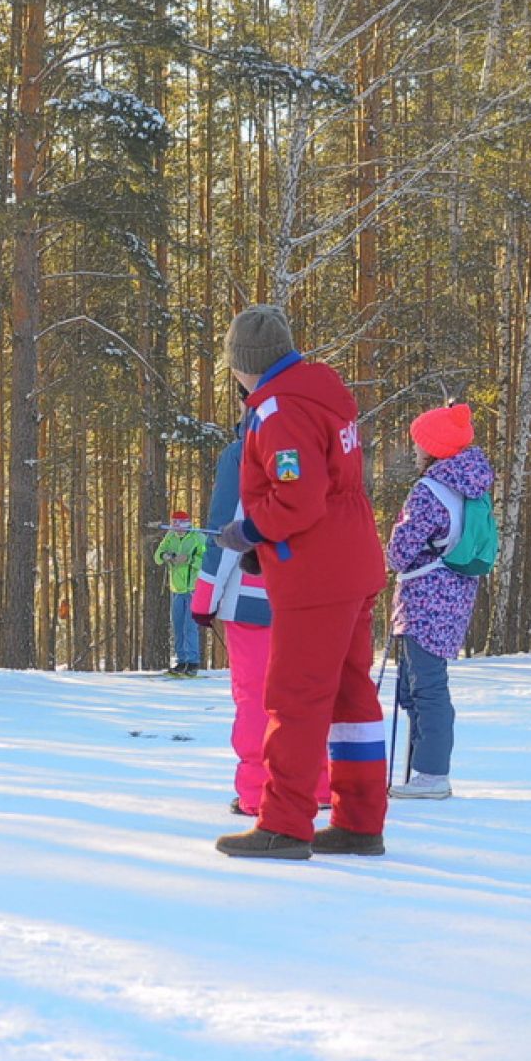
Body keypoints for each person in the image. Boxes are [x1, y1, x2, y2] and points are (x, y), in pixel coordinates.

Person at [210, 305, 389, 860]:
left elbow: (300, 497)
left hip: (318, 575)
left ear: (242, 364)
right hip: (352, 560)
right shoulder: (323, 392)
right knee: (350, 698)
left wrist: (251, 531)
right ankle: (360, 821)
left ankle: (285, 824)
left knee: (295, 698)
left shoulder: (277, 409)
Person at [192, 413, 331, 817]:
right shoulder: (319, 446)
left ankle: (256, 789)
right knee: (305, 693)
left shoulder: (242, 453)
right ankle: (318, 781)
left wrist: (204, 598)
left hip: (254, 598)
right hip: (312, 598)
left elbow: (225, 532)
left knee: (256, 697)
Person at [386, 403, 496, 800]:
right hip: (455, 592)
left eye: (418, 444)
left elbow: (401, 548)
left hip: (424, 596)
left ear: (433, 448)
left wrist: (388, 555)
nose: (414, 450)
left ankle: (431, 773)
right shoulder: (472, 484)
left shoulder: (430, 490)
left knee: (426, 686)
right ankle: (424, 770)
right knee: (423, 682)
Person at [154, 510, 206, 675]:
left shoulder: (197, 537)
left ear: (188, 524)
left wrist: (190, 560)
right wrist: (167, 555)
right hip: (176, 589)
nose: (179, 530)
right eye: (176, 526)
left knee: (190, 626)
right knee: (177, 626)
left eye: (182, 526)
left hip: (193, 589)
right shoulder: (170, 537)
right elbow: (157, 556)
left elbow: (208, 558)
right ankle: (181, 660)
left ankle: (192, 662)